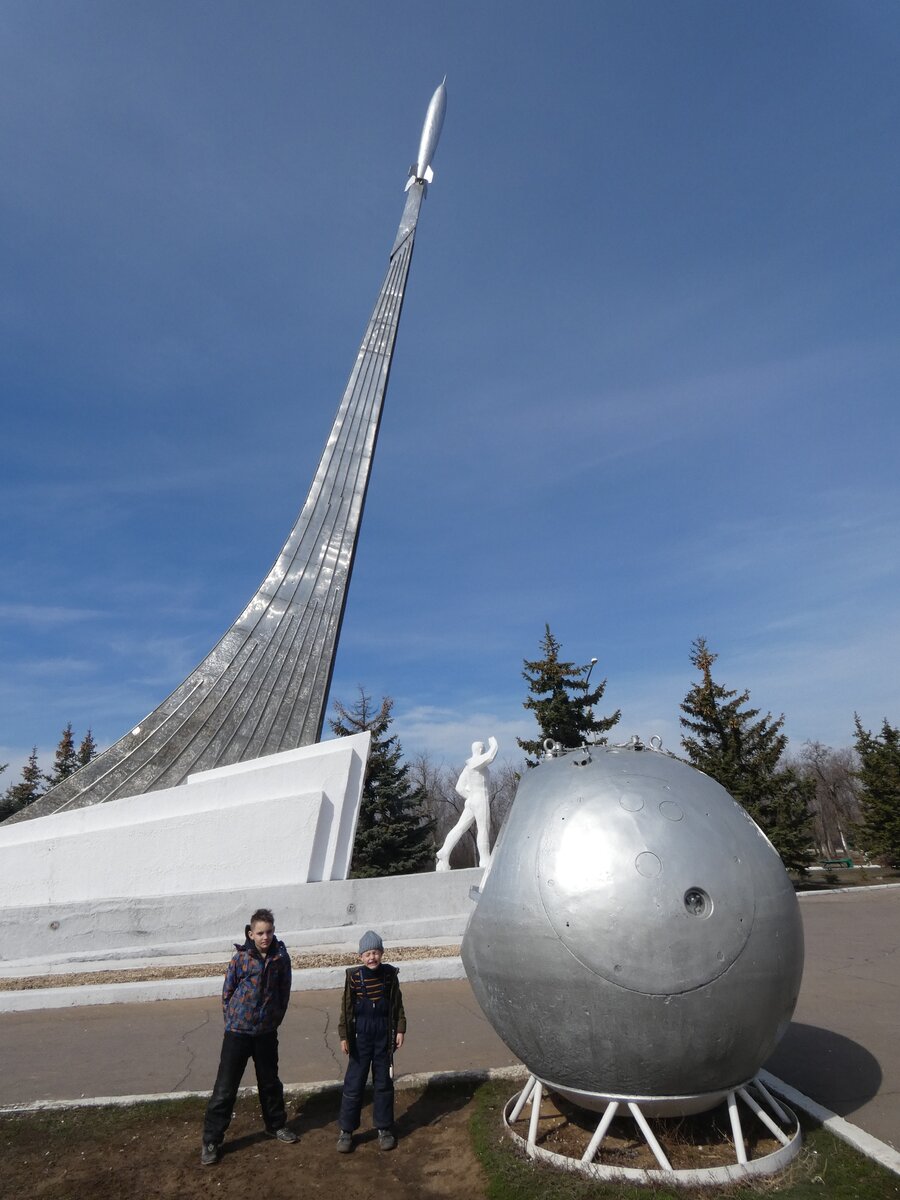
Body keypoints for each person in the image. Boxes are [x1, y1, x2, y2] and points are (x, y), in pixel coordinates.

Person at [201, 908, 297, 1165]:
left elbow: (284, 991)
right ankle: (211, 1140)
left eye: (268, 932)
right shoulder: (240, 958)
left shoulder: (280, 958)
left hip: (266, 1032)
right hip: (238, 1033)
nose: (265, 937)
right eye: (260, 933)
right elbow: (227, 991)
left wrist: (274, 1019)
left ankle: (275, 1125)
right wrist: (234, 1018)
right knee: (225, 1088)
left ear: (273, 932)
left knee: (270, 1082)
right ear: (250, 933)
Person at [336, 930, 406, 1152]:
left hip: (384, 1037)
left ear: (382, 953)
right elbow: (346, 1009)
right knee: (354, 1083)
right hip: (360, 1038)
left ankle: (384, 1128)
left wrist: (400, 1029)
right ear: (360, 957)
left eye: (375, 952)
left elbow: (398, 1005)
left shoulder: (389, 976)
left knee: (383, 1083)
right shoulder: (354, 978)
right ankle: (346, 1131)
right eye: (367, 954)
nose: (372, 958)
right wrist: (344, 1035)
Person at [435, 736, 499, 870]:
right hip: (480, 798)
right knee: (483, 828)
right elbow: (490, 757)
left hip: (471, 801)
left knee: (460, 827)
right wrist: (493, 744)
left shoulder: (468, 766)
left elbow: (459, 787)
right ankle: (485, 859)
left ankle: (444, 852)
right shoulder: (476, 762)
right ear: (481, 749)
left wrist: (469, 797)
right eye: (484, 748)